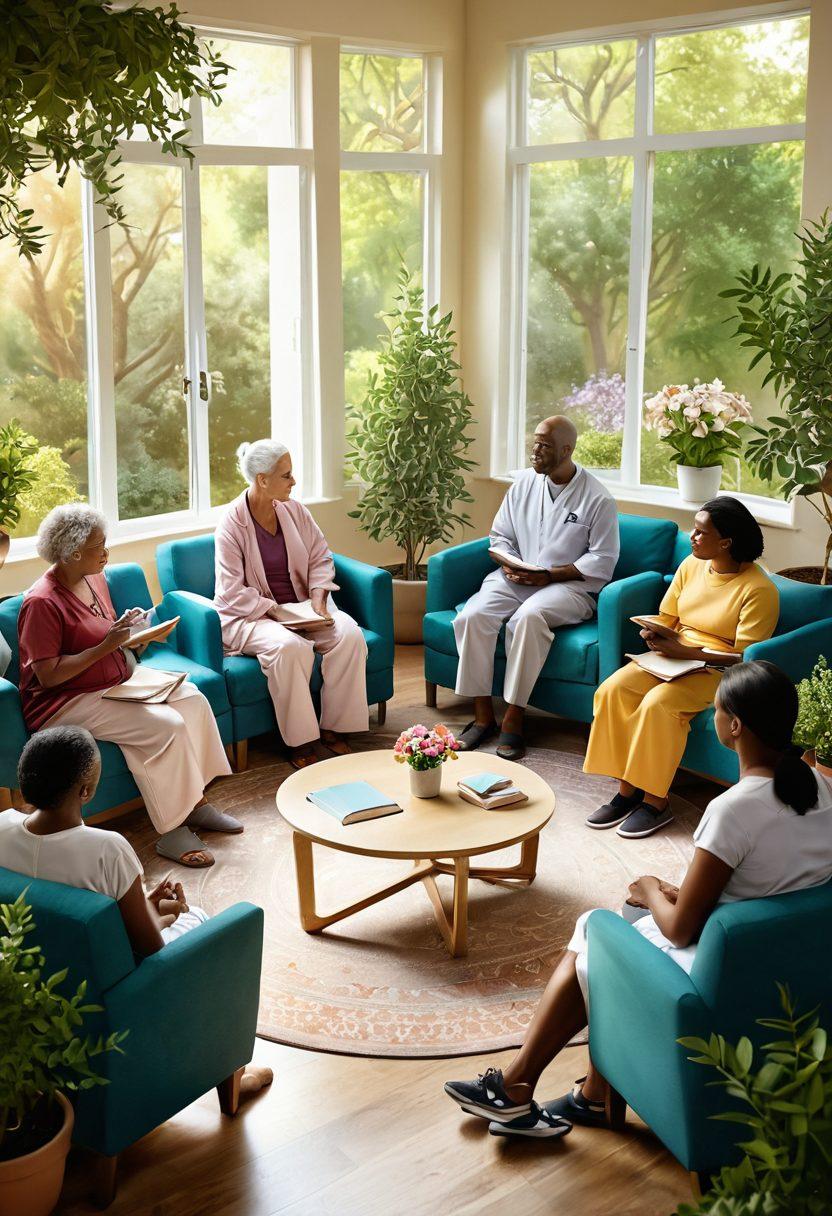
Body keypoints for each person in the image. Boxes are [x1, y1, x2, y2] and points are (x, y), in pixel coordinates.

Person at [444, 660, 832, 1140]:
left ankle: (515, 1086)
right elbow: (774, 879)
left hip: (717, 971)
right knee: (629, 922)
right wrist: (682, 894)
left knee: (595, 927)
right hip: (785, 962)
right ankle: (592, 1094)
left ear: (734, 726)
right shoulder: (820, 786)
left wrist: (650, 886)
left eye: (714, 711)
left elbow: (680, 930)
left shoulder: (733, 810)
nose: (711, 720)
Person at [0, 726, 272, 1097]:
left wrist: (145, 906)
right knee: (201, 920)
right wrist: (165, 915)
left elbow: (73, 912)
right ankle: (231, 1070)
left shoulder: (2, 829)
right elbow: (151, 949)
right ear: (85, 791)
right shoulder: (106, 850)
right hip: (109, 990)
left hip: (34, 975)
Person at [17, 504, 238, 868]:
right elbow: (49, 675)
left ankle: (196, 803)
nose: (106, 553)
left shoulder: (93, 578)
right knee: (165, 727)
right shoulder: (41, 602)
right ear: (73, 553)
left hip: (114, 678)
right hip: (65, 701)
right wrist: (106, 646)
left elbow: (101, 630)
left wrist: (130, 631)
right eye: (98, 547)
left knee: (192, 699)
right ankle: (173, 829)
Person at [583, 497, 779, 839]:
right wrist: (654, 632)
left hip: (720, 670)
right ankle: (626, 793)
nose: (692, 537)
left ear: (726, 542)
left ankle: (656, 802)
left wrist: (690, 651)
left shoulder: (758, 589)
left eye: (701, 533)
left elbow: (747, 657)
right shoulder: (691, 564)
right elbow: (668, 615)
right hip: (674, 655)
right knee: (613, 690)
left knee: (659, 705)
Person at [453, 415, 619, 761]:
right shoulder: (523, 484)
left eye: (544, 445)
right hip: (517, 577)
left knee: (526, 619)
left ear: (567, 449)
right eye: (534, 443)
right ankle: (482, 715)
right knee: (473, 615)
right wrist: (511, 564)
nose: (535, 451)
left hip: (571, 587)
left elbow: (603, 560)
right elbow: (500, 535)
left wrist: (549, 576)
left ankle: (514, 715)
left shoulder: (597, 498)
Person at [215, 439, 369, 770]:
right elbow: (230, 590)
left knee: (349, 635)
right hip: (250, 617)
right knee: (289, 647)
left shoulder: (295, 510)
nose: (293, 482)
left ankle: (334, 727)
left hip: (301, 608)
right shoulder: (231, 523)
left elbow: (320, 557)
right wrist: (276, 611)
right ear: (262, 480)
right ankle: (301, 740)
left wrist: (318, 601)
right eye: (286, 475)